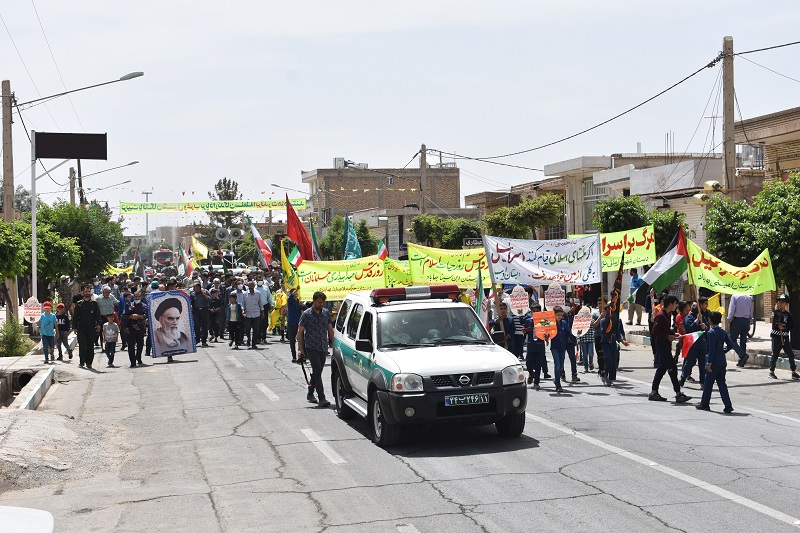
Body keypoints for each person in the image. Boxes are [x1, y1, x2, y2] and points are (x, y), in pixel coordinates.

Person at [648, 295, 692, 404]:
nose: (676, 306)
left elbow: (665, 330)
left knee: (662, 369)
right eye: (675, 304)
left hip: (665, 343)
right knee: (672, 368)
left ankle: (654, 392)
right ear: (671, 304)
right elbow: (655, 331)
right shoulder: (661, 316)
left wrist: (673, 333)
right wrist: (667, 336)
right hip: (662, 344)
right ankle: (678, 393)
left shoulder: (668, 315)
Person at [297, 291, 334, 407]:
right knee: (317, 370)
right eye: (319, 302)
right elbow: (300, 332)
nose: (321, 304)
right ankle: (322, 397)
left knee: (317, 371)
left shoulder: (326, 313)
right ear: (313, 301)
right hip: (311, 347)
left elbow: (330, 329)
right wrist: (301, 350)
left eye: (323, 302)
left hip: (323, 347)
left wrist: (334, 344)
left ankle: (310, 392)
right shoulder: (306, 314)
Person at [696, 311, 735, 412]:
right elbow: (730, 345)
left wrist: (709, 362)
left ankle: (704, 403)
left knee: (708, 383)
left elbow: (711, 349)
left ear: (710, 320)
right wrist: (723, 351)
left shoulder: (711, 333)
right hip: (722, 360)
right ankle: (728, 404)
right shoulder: (722, 332)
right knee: (722, 383)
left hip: (713, 361)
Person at [680, 297, 710, 388]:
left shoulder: (703, 317)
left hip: (702, 344)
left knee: (702, 365)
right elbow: (689, 329)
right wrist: (696, 322)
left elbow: (708, 329)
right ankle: (683, 378)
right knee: (689, 363)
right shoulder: (688, 318)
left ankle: (703, 382)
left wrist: (704, 327)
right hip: (692, 344)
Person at [769, 294, 798, 380]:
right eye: (779, 302)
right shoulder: (775, 313)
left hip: (785, 338)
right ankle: (771, 372)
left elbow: (792, 326)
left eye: (782, 302)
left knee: (791, 355)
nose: (780, 303)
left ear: (786, 304)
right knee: (775, 354)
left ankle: (793, 372)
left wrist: (784, 327)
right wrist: (775, 311)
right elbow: (774, 324)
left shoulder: (788, 315)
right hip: (776, 337)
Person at [73, 284, 101, 369]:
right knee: (82, 344)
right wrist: (75, 327)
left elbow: (98, 315)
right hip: (81, 328)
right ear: (82, 292)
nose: (87, 293)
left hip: (91, 328)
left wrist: (98, 324)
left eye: (89, 291)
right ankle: (82, 361)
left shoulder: (94, 304)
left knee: (90, 345)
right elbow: (76, 316)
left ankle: (89, 362)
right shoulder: (79, 304)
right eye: (86, 291)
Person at [599, 307, 629, 386]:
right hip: (605, 342)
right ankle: (605, 374)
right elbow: (603, 331)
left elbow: (618, 333)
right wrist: (607, 323)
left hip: (613, 342)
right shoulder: (603, 321)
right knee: (608, 360)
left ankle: (611, 378)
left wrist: (623, 341)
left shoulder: (615, 321)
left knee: (614, 361)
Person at [524, 304, 547, 390]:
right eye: (534, 311)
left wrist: (547, 338)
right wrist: (525, 331)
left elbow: (547, 332)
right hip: (530, 345)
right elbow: (525, 329)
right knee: (528, 363)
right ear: (531, 312)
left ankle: (536, 382)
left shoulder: (544, 321)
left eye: (538, 311)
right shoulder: (528, 320)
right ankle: (531, 373)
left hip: (540, 346)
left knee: (538, 365)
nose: (536, 312)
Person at [727, 293, 754, 367]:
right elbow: (751, 310)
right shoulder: (749, 297)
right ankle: (741, 360)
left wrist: (729, 319)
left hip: (737, 320)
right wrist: (750, 320)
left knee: (731, 339)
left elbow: (731, 309)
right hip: (746, 320)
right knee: (743, 340)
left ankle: (742, 355)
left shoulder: (735, 296)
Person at [124, 291, 147, 367]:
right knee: (130, 345)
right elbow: (124, 316)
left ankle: (138, 357)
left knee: (140, 344)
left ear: (140, 297)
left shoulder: (143, 306)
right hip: (130, 327)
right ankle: (132, 362)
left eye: (138, 297)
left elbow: (145, 316)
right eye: (135, 297)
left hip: (140, 327)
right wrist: (130, 316)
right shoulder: (129, 305)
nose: (137, 298)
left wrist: (138, 316)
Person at [550, 306, 571, 393]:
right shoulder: (551, 324)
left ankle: (556, 379)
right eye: (558, 315)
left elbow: (569, 332)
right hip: (554, 347)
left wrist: (576, 337)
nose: (559, 316)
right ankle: (558, 385)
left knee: (561, 366)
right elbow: (545, 332)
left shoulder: (564, 323)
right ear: (554, 315)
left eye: (561, 315)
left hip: (562, 347)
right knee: (557, 364)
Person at [242, 281, 263, 350]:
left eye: (252, 286)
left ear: (254, 286)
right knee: (247, 329)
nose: (251, 288)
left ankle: (254, 344)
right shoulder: (244, 294)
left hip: (256, 314)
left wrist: (262, 312)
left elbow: (260, 303)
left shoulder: (258, 293)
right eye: (250, 287)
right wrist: (243, 311)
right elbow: (243, 304)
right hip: (248, 314)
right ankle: (248, 338)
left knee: (256, 330)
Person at [285, 287, 303, 362]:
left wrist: (302, 305)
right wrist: (297, 288)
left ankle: (300, 355)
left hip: (299, 323)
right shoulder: (290, 301)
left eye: (297, 292)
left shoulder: (299, 302)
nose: (296, 293)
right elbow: (291, 296)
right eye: (295, 292)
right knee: (292, 340)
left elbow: (305, 309)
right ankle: (294, 356)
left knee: (300, 340)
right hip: (291, 323)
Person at [191, 281, 211, 347]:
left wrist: (205, 295)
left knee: (204, 326)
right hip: (196, 311)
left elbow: (210, 300)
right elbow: (191, 302)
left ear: (198, 287)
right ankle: (197, 339)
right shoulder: (192, 294)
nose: (194, 289)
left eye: (195, 287)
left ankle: (204, 341)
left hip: (204, 310)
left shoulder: (205, 291)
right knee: (196, 325)